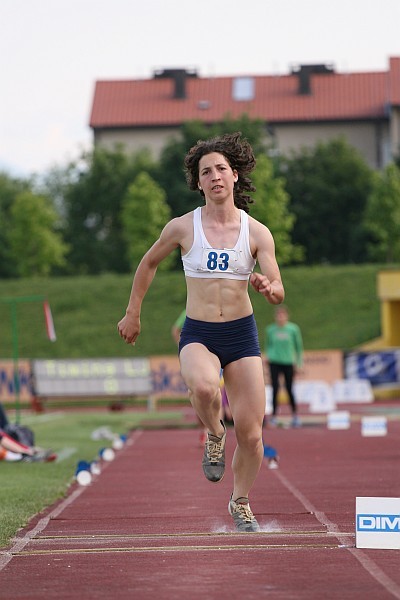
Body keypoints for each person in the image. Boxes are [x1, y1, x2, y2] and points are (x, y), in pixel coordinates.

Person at [118, 132, 284, 532]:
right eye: (206, 171)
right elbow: (148, 263)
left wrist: (267, 286)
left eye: (221, 169)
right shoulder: (182, 227)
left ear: (235, 176)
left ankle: (240, 501)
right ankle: (213, 432)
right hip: (199, 333)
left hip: (242, 336)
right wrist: (132, 313)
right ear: (197, 181)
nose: (214, 177)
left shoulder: (257, 232)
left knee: (252, 434)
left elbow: (278, 291)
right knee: (207, 390)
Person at [172, 309, 208, 446]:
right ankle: (205, 430)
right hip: (197, 357)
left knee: (217, 393)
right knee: (200, 393)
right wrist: (183, 347)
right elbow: (175, 329)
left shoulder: (219, 303)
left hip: (217, 354)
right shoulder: (190, 309)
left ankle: (213, 431)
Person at [264, 305, 303, 427]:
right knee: (275, 389)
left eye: (282, 315)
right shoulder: (270, 330)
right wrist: (268, 356)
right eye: (278, 315)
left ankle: (295, 415)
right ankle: (274, 416)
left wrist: (299, 362)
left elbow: (299, 347)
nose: (280, 317)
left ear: (287, 316)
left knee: (289, 388)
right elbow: (268, 345)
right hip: (274, 362)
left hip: (288, 362)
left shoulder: (293, 329)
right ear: (275, 316)